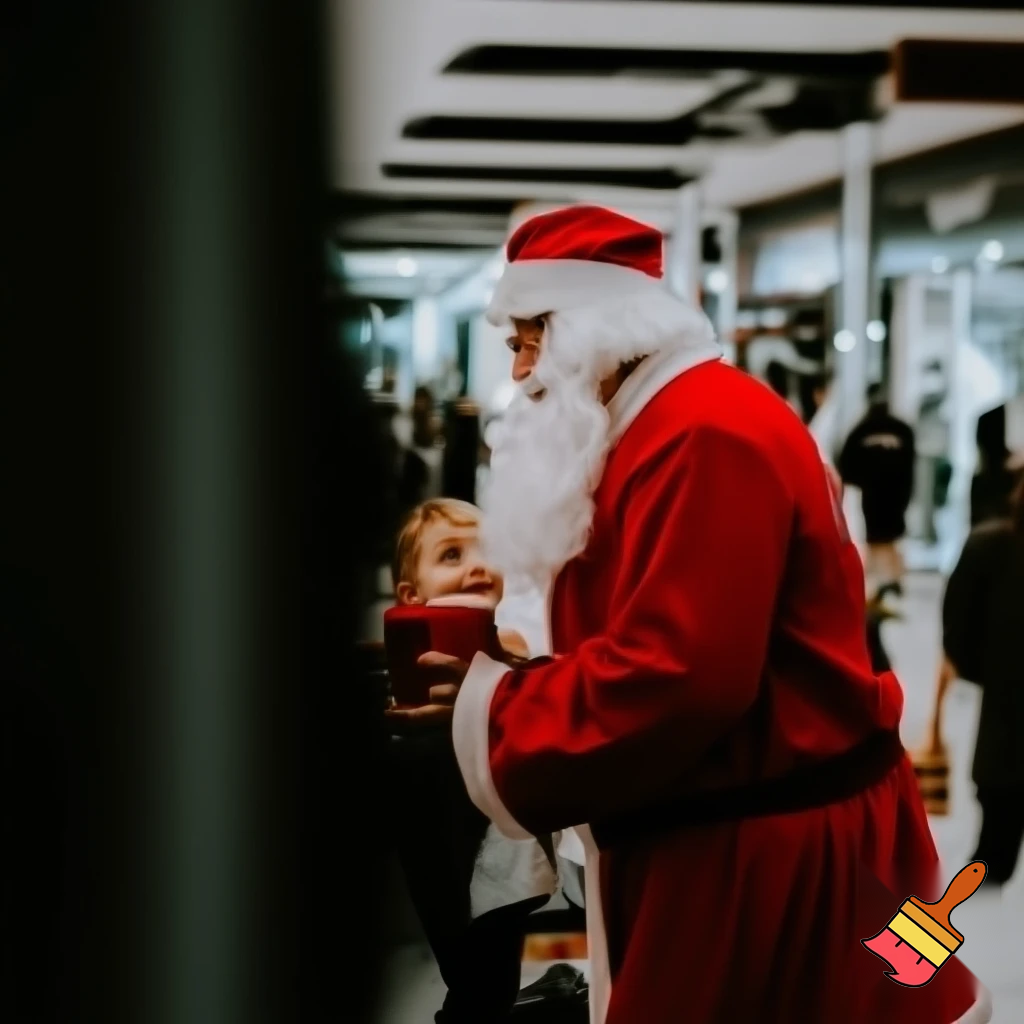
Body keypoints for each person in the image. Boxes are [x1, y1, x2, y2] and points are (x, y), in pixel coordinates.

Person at [391, 206, 986, 1023]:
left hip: (774, 857)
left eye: (526, 340)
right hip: (754, 829)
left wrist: (496, 708)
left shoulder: (704, 434)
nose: (520, 372)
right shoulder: (661, 425)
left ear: (582, 332)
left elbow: (682, 676)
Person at [386, 498, 584, 1022]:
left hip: (502, 846)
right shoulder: (415, 665)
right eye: (451, 555)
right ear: (411, 594)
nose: (476, 564)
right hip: (449, 837)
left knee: (493, 975)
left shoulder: (511, 643)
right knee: (475, 978)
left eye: (486, 551)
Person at [939, 474, 1024, 890]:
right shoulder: (990, 546)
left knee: (987, 863)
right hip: (1003, 726)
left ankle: (905, 954)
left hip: (1004, 724)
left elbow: (958, 630)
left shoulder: (990, 546)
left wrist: (989, 671)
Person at [838, 383, 917, 601]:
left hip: (872, 498)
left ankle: (881, 581)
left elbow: (846, 466)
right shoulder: (902, 430)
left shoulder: (860, 431)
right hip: (895, 496)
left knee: (876, 537)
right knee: (890, 537)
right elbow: (910, 465)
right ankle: (891, 579)